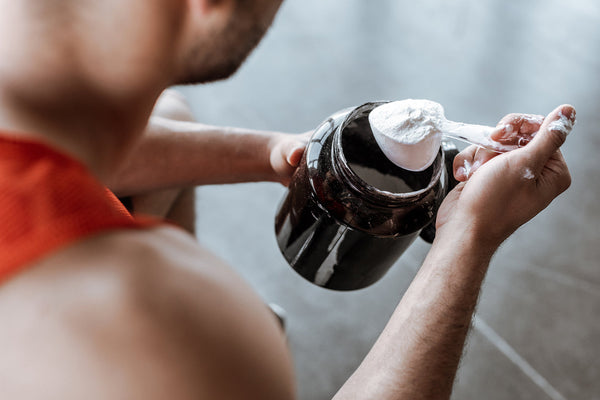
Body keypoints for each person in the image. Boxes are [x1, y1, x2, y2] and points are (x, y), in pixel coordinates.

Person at [0, 0, 574, 399]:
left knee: (170, 113)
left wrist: (274, 150)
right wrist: (468, 237)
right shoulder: (173, 328)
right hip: (157, 345)